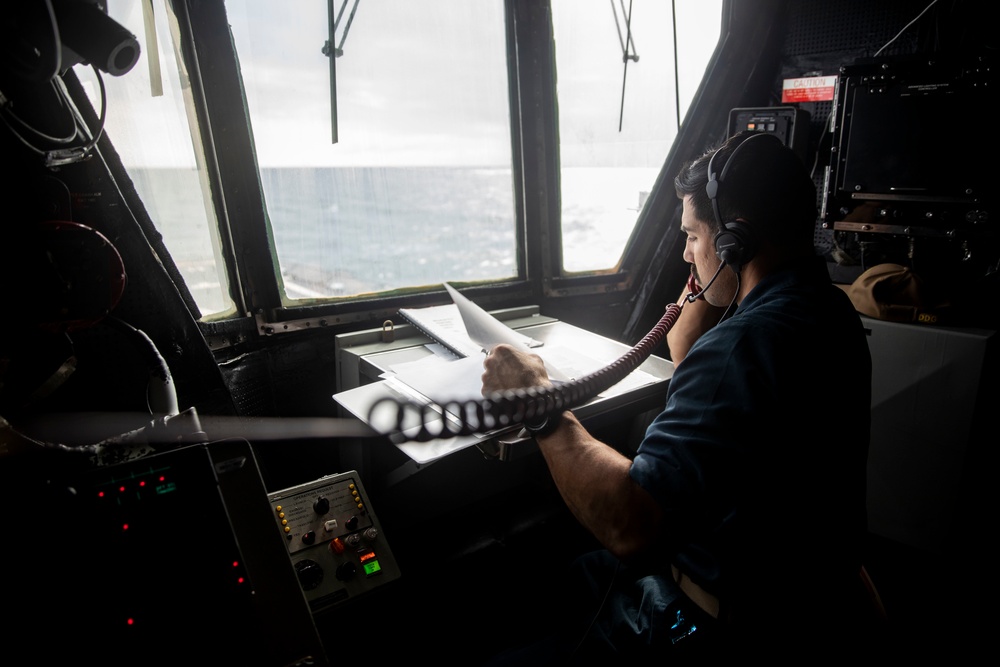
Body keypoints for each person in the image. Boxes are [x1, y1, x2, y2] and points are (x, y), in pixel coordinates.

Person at [480, 131, 874, 663]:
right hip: (802, 609)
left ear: (734, 241)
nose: (687, 253)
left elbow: (630, 524)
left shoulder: (740, 346)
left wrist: (539, 403)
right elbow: (735, 443)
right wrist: (690, 348)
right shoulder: (830, 314)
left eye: (692, 235)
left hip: (714, 629)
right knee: (578, 574)